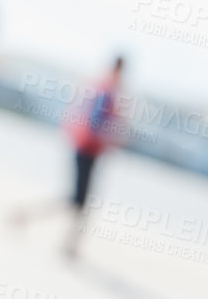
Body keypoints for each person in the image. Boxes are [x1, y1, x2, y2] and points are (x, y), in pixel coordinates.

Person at [9, 55, 126, 260]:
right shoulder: (107, 90)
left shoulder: (100, 84)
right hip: (87, 148)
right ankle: (32, 219)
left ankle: (68, 242)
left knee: (79, 200)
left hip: (84, 146)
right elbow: (96, 121)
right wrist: (112, 138)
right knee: (78, 200)